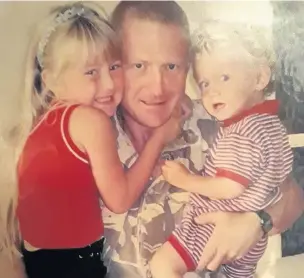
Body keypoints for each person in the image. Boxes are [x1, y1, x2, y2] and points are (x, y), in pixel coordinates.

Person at [103, 1, 304, 278]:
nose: (158, 86)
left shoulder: (221, 121)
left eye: (171, 66)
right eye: (139, 65)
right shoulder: (89, 140)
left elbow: (293, 196)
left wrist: (258, 221)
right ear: (115, 66)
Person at [11, 2, 181, 278]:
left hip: (40, 263)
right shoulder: (90, 120)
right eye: (90, 72)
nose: (109, 84)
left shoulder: (39, 126)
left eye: (114, 67)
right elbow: (120, 199)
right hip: (76, 266)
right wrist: (160, 137)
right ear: (51, 80)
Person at [150, 20, 293, 278]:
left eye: (224, 77)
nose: (212, 91)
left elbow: (230, 187)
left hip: (213, 226)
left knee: (163, 266)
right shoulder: (273, 127)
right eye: (204, 83)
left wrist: (185, 179)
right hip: (249, 244)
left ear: (260, 77)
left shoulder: (241, 132)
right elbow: (279, 180)